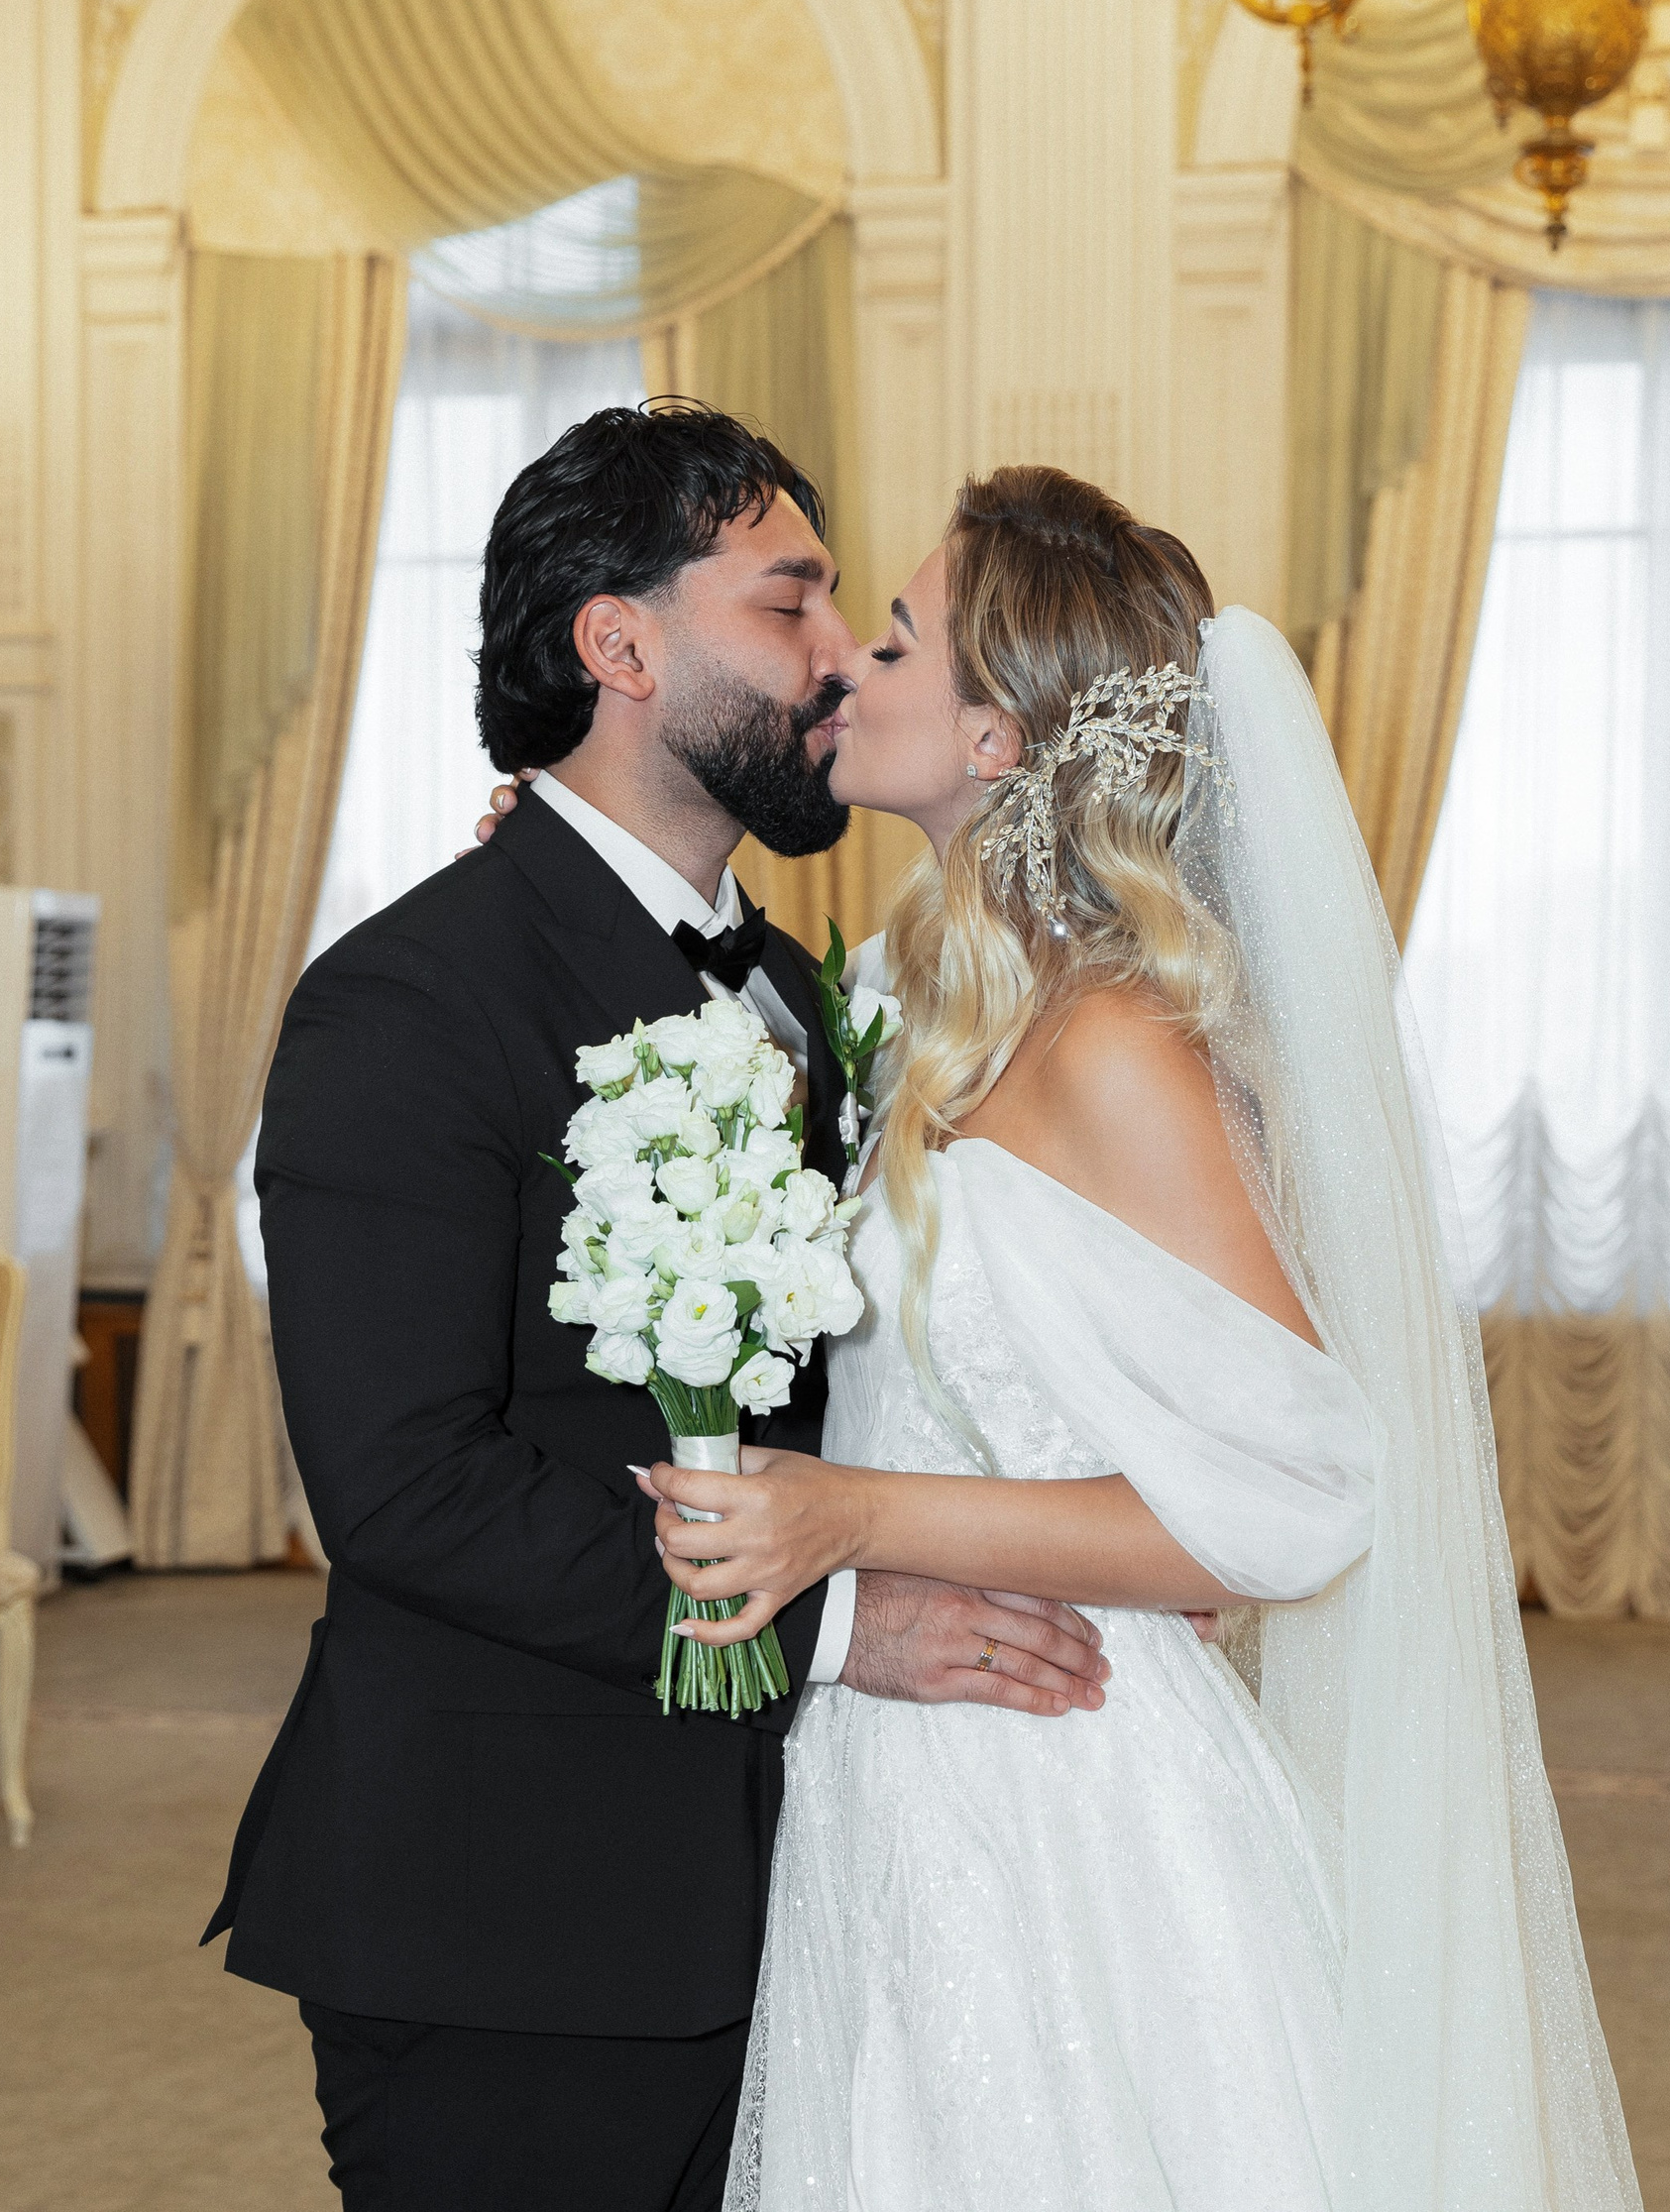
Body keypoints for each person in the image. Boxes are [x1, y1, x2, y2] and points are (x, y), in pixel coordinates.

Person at [485, 462, 1643, 2210]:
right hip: (884, 1772)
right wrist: (539, 888)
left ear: (999, 737)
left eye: (891, 641)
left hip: (1070, 1782)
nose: (841, 666)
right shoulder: (895, 1002)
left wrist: (856, 1516)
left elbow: (1294, 1506)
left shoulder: (1115, 1047)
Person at [205, 406, 1111, 2212]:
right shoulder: (406, 1000)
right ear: (617, 647)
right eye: (787, 604)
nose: (838, 654)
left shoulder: (802, 993)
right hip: (510, 1916)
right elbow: (406, 1490)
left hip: (812, 1890)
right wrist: (844, 1625)